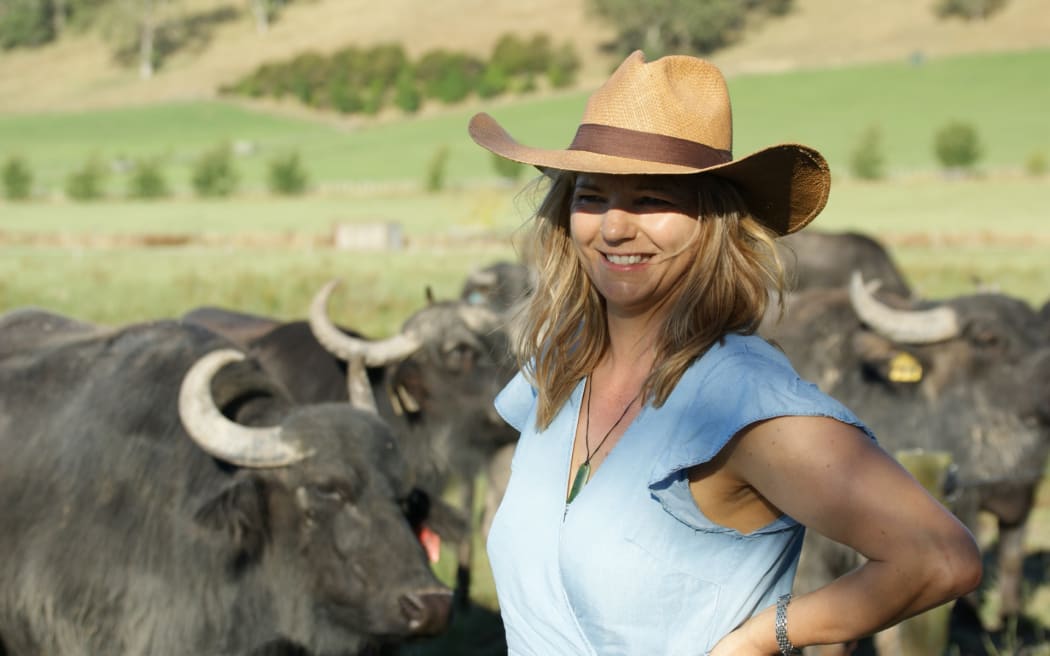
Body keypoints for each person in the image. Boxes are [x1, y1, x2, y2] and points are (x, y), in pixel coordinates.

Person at [466, 50, 982, 655]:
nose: (612, 227)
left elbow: (939, 558)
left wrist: (761, 639)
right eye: (591, 195)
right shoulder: (559, 365)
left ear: (714, 221)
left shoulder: (742, 399)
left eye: (653, 200)